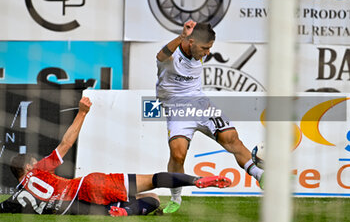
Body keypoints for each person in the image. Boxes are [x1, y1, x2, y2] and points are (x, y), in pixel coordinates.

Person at [0, 97, 231, 216]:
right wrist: (82, 112)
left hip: (80, 206)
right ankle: (195, 180)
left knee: (150, 200)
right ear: (28, 167)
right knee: (154, 182)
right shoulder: (39, 169)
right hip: (88, 185)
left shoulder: (17, 198)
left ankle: (127, 211)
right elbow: (66, 143)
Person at [156, 20, 265, 213]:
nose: (207, 53)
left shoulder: (199, 53)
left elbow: (201, 35)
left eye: (209, 48)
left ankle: (260, 176)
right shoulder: (172, 56)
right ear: (191, 42)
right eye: (204, 48)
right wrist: (182, 35)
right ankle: (175, 198)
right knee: (178, 153)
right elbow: (160, 55)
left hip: (200, 103)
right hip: (177, 108)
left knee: (231, 138)